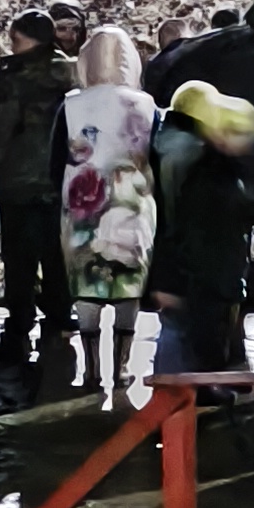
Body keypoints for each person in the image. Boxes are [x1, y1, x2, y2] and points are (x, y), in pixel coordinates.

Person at [145, 78, 254, 381]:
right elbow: (187, 218)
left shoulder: (162, 142)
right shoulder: (194, 155)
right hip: (193, 266)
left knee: (183, 332)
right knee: (189, 337)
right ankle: (185, 397)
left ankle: (183, 392)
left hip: (179, 263)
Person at [0, 6, 74, 398]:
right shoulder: (71, 72)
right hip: (60, 183)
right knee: (56, 258)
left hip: (18, 186)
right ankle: (58, 331)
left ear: (24, 37)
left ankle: (17, 335)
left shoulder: (14, 76)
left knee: (19, 265)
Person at [59, 22, 155, 398]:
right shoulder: (145, 105)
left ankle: (92, 367)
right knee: (128, 282)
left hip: (81, 204)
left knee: (86, 283)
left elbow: (56, 158)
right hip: (134, 202)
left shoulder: (70, 104)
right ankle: (124, 365)